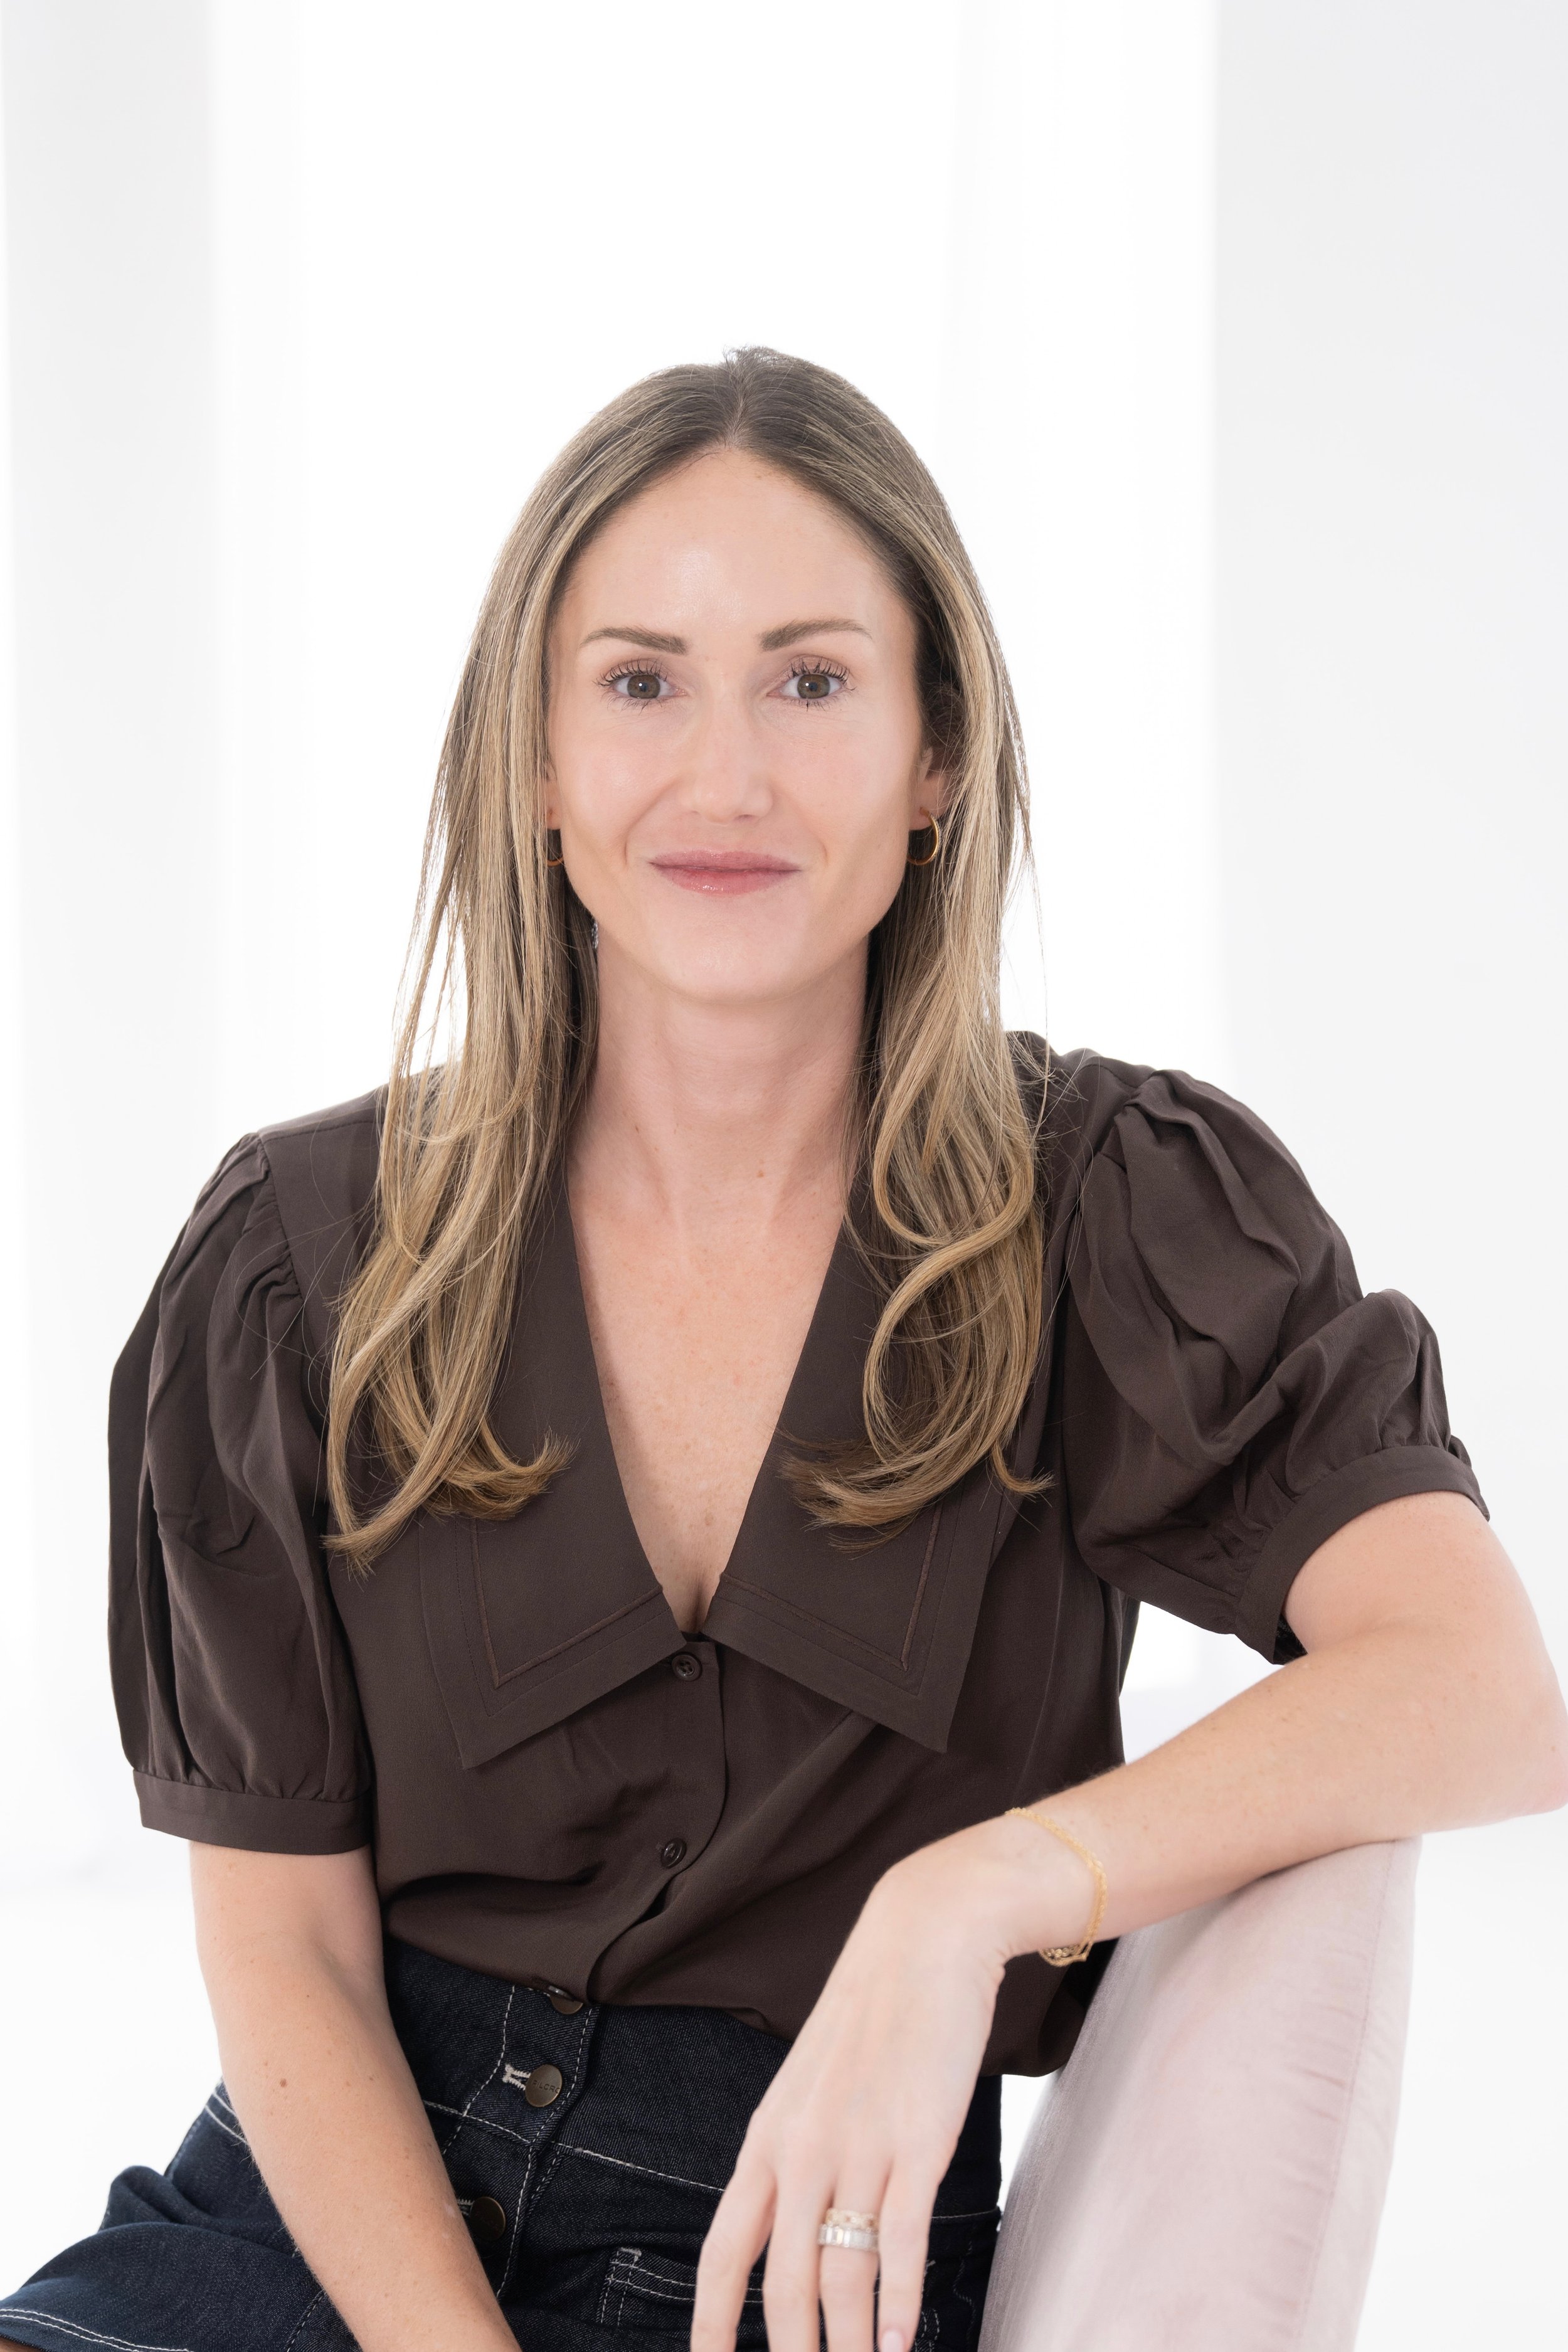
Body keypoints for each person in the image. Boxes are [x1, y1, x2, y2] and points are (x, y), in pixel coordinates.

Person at [2, 346, 1562, 2352]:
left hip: (799, 2256)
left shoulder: (1106, 1212)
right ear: (536, 764)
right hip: (315, 2237)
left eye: (812, 680)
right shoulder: (302, 1263)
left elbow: (1479, 1685)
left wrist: (974, 1897)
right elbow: (287, 1957)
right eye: (639, 681)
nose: (722, 777)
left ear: (931, 758)